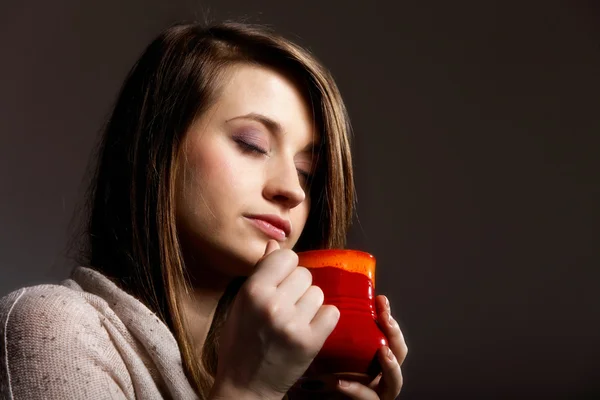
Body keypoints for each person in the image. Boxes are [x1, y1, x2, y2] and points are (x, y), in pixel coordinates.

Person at [0, 21, 407, 399]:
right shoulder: (52, 326)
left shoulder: (285, 379)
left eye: (307, 172)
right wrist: (248, 390)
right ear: (158, 149)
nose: (291, 190)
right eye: (252, 144)